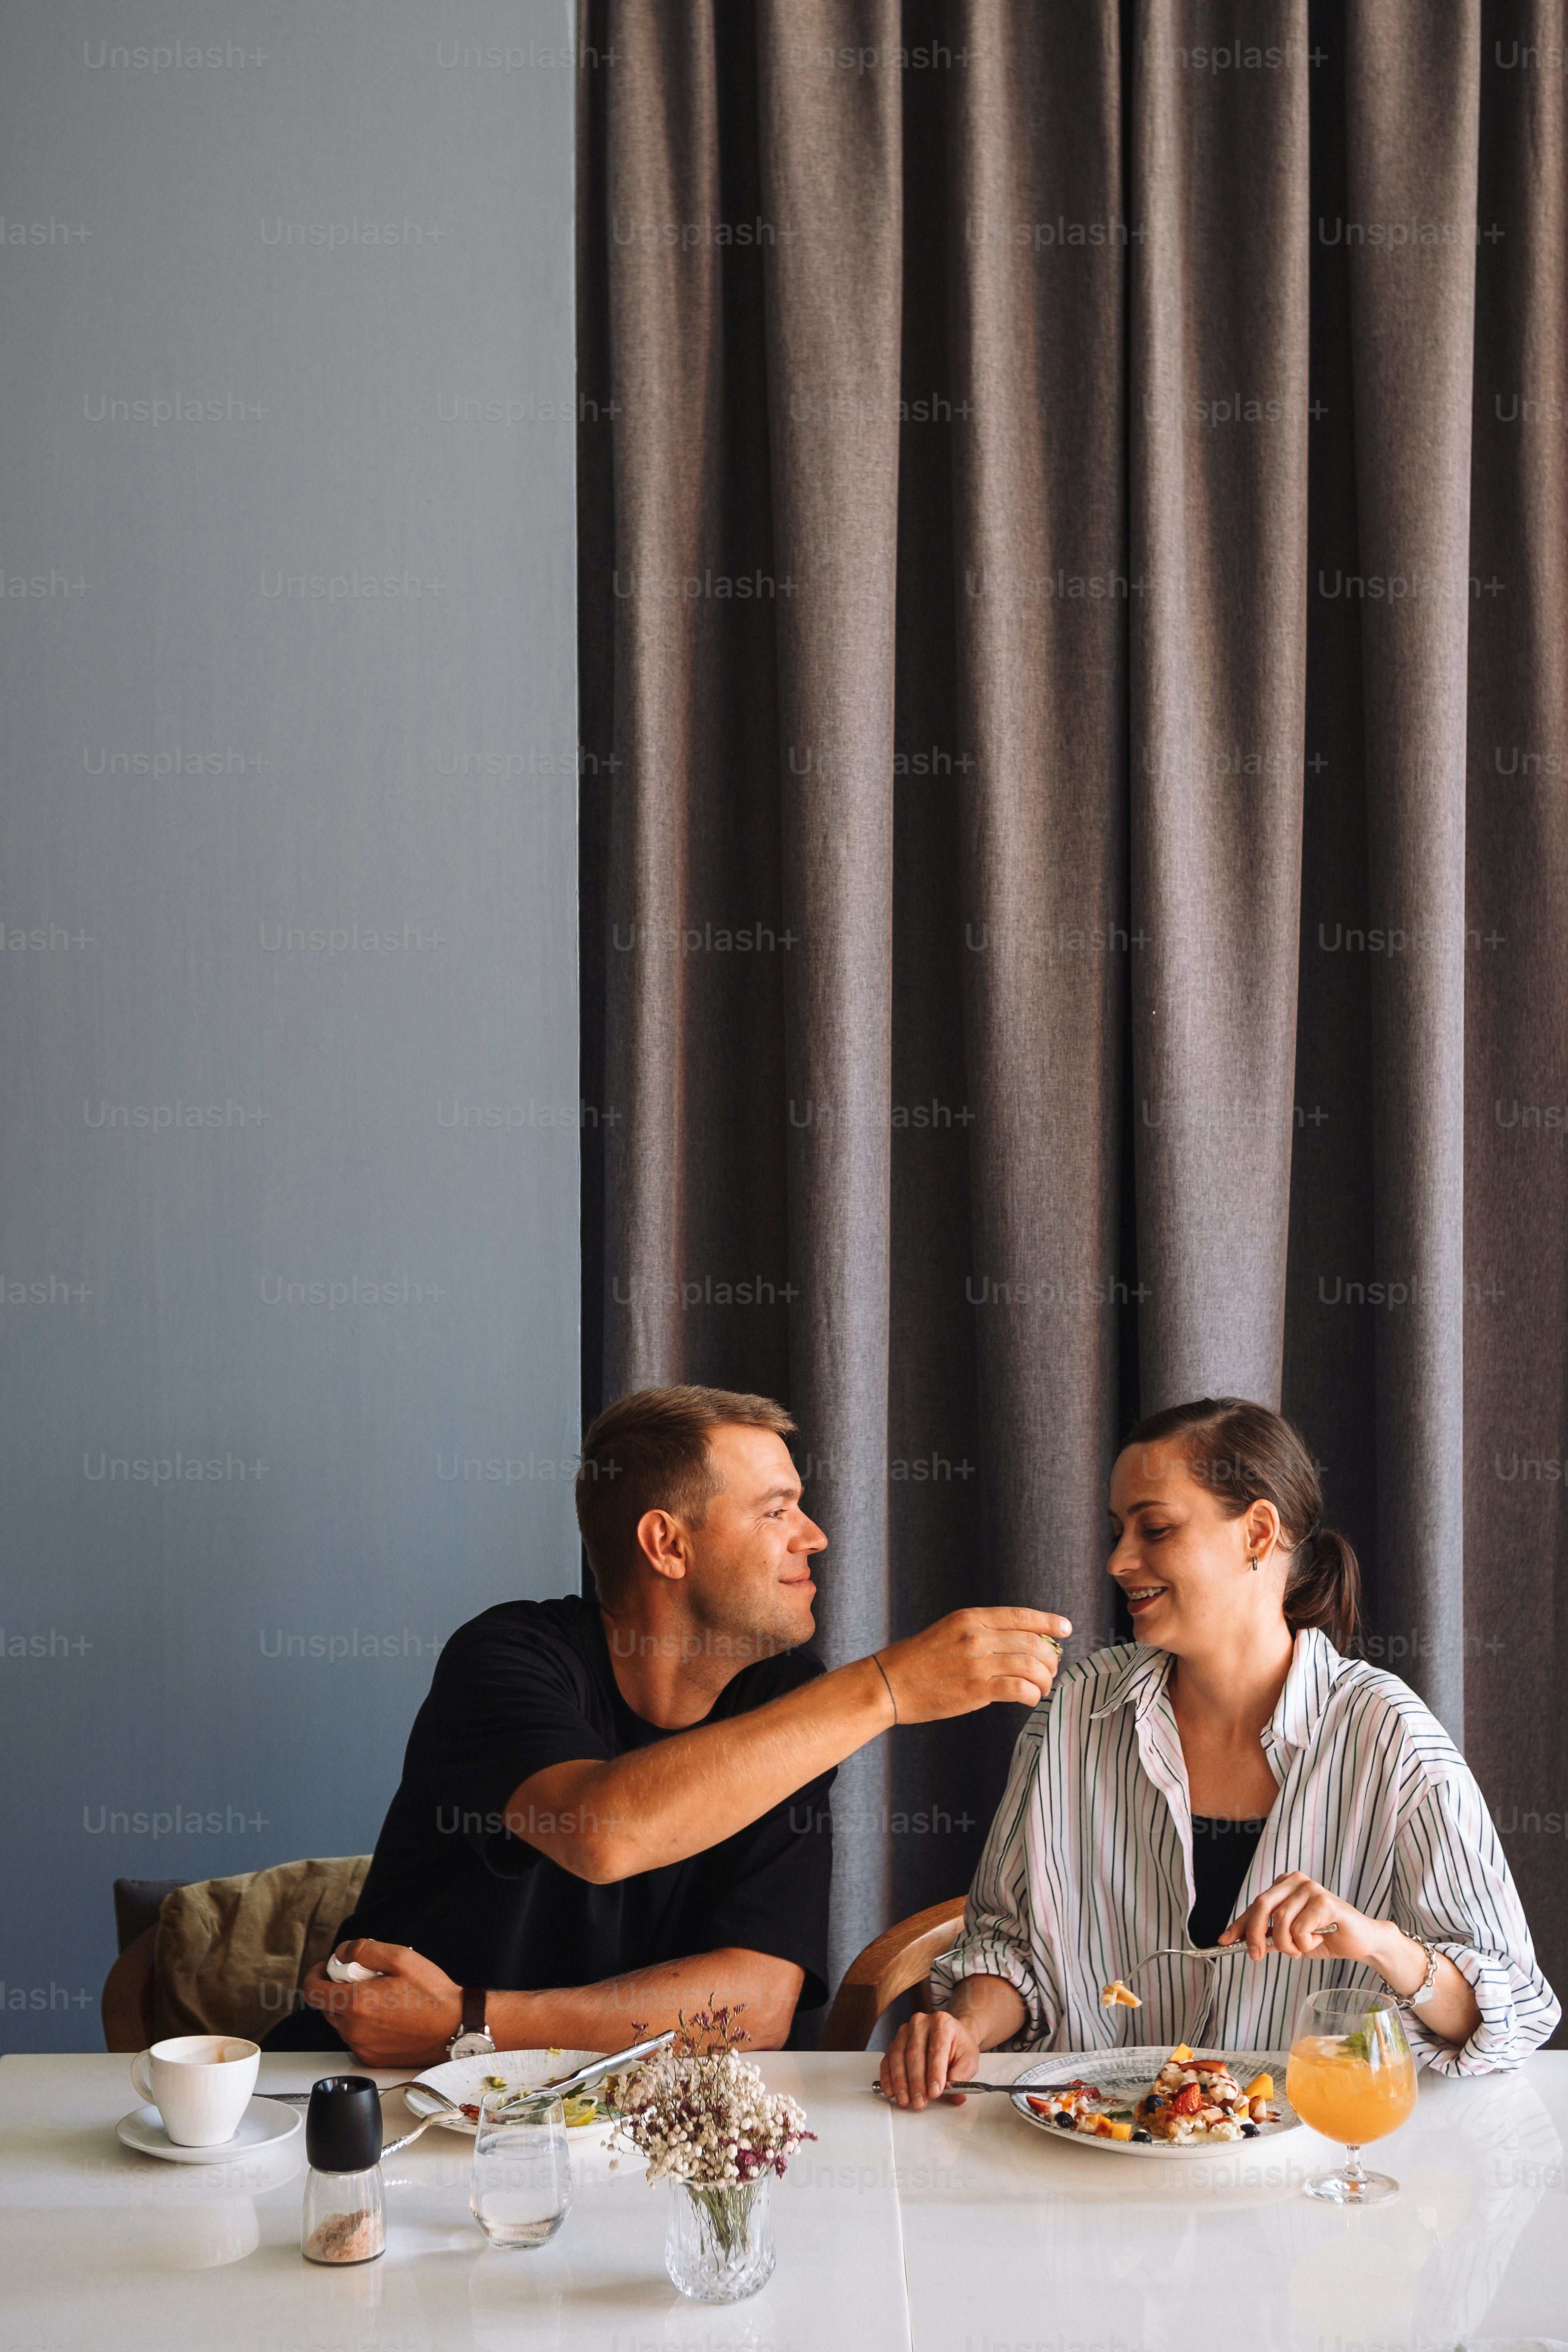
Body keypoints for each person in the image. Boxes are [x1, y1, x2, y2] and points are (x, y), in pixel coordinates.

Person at [278, 1383, 1070, 2067]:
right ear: (667, 1543)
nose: (815, 1536)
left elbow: (758, 2003)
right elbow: (603, 1833)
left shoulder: (788, 1701)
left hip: (595, 2114)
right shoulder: (507, 1657)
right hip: (370, 2095)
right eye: (777, 1510)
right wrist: (886, 1687)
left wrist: (473, 2021)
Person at [882, 1396, 1559, 2108]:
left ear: (1258, 1533)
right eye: (1118, 1531)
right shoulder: (1074, 1711)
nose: (1118, 1560)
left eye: (1157, 1528)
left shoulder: (1389, 1735)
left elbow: (1512, 2013)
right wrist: (964, 2023)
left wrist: (1379, 1942)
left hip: (1305, 2168)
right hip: (1092, 2154)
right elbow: (1012, 1949)